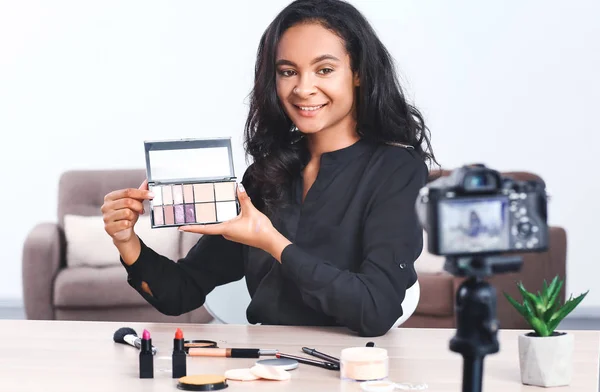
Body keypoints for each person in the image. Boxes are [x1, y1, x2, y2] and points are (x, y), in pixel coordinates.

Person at [101, 0, 437, 337]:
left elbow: (375, 310)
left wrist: (272, 242)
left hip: (350, 370)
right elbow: (180, 292)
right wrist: (126, 240)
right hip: (266, 367)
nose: (303, 89)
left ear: (359, 72)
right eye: (288, 71)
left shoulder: (397, 170)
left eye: (324, 69)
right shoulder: (265, 176)